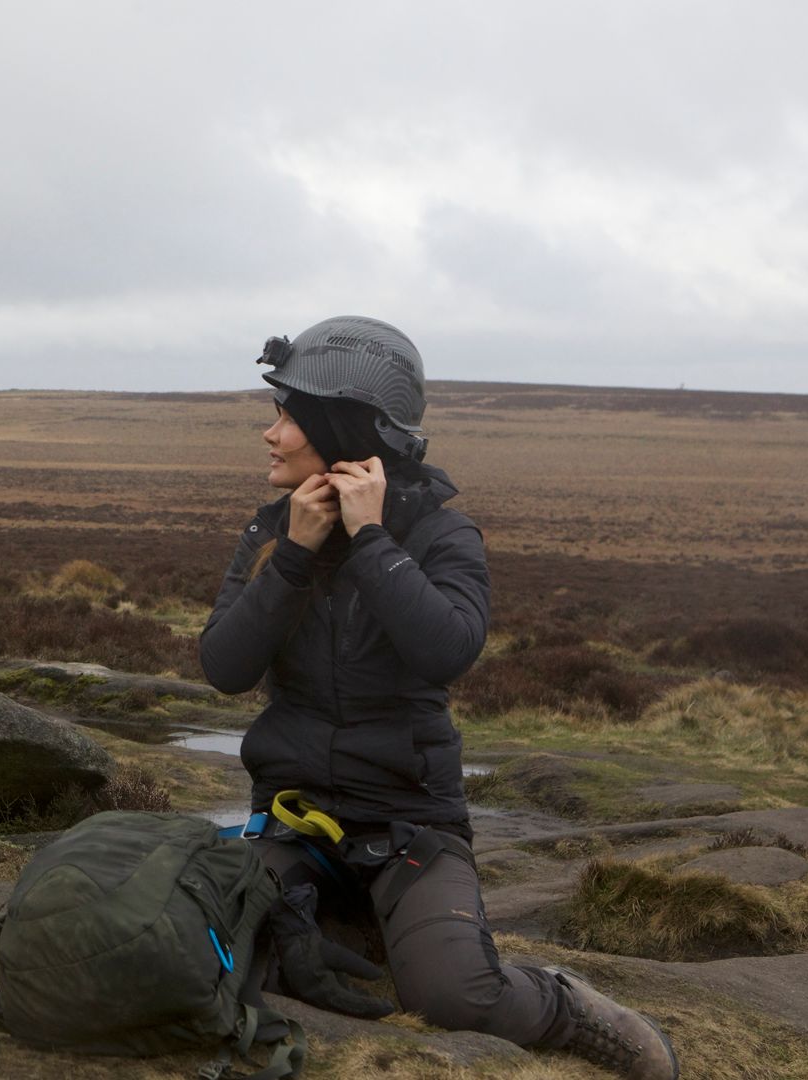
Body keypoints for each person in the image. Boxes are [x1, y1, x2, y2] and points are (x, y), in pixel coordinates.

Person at [200, 317, 679, 1080]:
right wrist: (293, 555)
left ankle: (566, 1006)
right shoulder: (271, 532)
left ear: (340, 426)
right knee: (213, 962)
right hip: (293, 826)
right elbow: (223, 667)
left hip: (409, 825)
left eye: (287, 417)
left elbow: (448, 649)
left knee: (456, 997)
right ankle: (355, 934)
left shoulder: (440, 536)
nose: (271, 435)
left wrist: (370, 539)